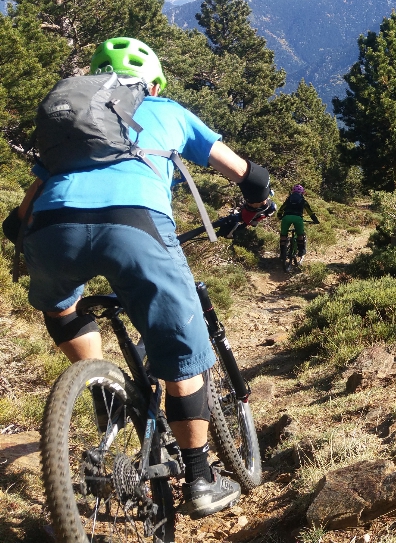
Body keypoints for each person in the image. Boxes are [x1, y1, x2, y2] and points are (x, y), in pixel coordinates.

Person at [5, 37, 272, 517]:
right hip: (135, 227)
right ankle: (199, 478)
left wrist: (25, 232)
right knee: (183, 350)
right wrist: (257, 202)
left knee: (62, 305)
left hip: (48, 229)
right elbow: (247, 175)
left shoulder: (77, 129)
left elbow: (24, 206)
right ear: (153, 83)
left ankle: (104, 391)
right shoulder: (166, 109)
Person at [279, 184, 319, 264]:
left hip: (286, 217)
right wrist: (315, 220)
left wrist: (279, 215)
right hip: (298, 218)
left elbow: (281, 209)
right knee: (300, 234)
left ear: (293, 191)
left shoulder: (288, 199)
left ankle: (282, 253)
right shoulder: (303, 200)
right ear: (302, 193)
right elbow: (310, 212)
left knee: (283, 235)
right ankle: (301, 251)